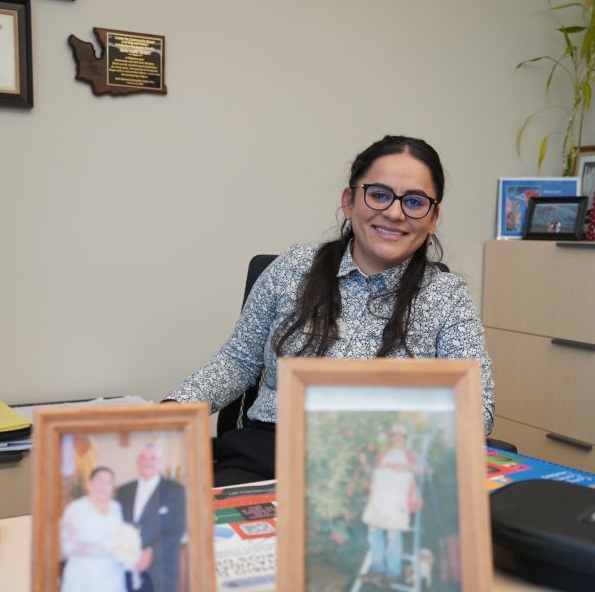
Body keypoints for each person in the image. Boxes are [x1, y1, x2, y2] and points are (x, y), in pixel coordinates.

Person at [166, 134, 495, 484]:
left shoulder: (447, 296)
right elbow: (237, 362)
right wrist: (172, 413)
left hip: (382, 466)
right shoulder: (294, 267)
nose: (395, 213)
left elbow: (479, 408)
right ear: (349, 200)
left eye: (414, 202)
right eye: (379, 195)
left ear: (432, 218)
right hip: (269, 452)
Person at [117, 440, 186, 592]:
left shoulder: (175, 491)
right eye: (143, 457)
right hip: (125, 569)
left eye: (153, 458)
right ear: (137, 461)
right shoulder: (123, 491)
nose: (147, 462)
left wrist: (150, 553)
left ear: (160, 463)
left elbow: (176, 530)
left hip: (160, 568)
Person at [58, 466, 132, 592]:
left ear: (113, 487)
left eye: (109, 482)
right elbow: (66, 546)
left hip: (111, 574)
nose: (103, 486)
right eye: (100, 480)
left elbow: (121, 537)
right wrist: (101, 548)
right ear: (90, 483)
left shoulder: (116, 508)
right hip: (83, 573)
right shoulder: (75, 509)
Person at [360, 424, 422, 586]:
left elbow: (423, 470)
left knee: (394, 535)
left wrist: (409, 467)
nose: (397, 438)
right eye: (394, 435)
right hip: (379, 499)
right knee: (374, 532)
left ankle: (392, 574)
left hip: (398, 502)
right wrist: (364, 464)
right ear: (391, 438)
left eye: (400, 436)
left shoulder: (410, 455)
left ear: (405, 439)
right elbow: (372, 476)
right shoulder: (383, 455)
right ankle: (377, 569)